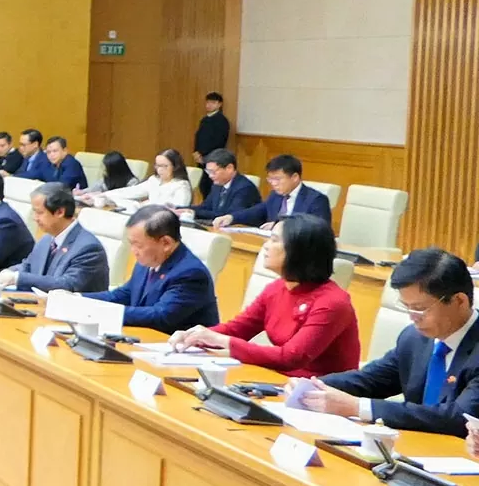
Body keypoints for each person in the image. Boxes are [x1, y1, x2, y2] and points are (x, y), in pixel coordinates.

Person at [284, 248, 478, 434]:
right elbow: (371, 380)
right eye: (406, 307)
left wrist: (356, 407)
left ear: (459, 301)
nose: (412, 317)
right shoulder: (413, 339)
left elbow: (459, 418)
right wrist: (311, 387)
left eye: (419, 308)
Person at [170, 214, 358, 377]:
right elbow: (238, 329)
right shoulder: (277, 288)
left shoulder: (332, 302)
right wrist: (195, 335)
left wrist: (220, 340)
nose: (266, 246)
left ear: (299, 250)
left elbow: (291, 357)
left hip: (321, 393)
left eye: (274, 240)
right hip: (278, 380)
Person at [82, 205, 218, 334]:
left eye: (138, 245)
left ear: (166, 243)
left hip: (178, 349)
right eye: (131, 244)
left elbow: (160, 316)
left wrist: (100, 311)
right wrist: (78, 299)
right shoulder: (148, 261)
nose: (133, 251)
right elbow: (123, 295)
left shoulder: (191, 273)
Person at [0, 184, 109, 293]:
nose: (35, 218)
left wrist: (17, 278)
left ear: (60, 212)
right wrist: (10, 271)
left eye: (39, 212)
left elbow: (66, 285)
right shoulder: (46, 240)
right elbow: (28, 266)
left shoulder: (89, 248)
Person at [214, 154, 330, 229]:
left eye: (277, 179)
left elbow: (317, 230)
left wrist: (278, 226)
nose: (273, 183)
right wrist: (231, 217)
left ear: (294, 177)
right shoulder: (276, 195)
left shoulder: (316, 200)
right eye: (270, 179)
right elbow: (257, 210)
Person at [92, 149, 191, 208]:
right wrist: (104, 195)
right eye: (157, 166)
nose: (159, 170)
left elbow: (178, 209)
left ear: (175, 166)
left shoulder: (181, 186)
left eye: (164, 166)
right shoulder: (154, 180)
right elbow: (131, 191)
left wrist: (145, 204)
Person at [190, 149, 260, 221]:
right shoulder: (217, 184)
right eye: (208, 171)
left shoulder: (244, 188)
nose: (210, 176)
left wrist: (195, 212)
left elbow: (229, 215)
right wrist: (186, 209)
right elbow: (205, 207)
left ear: (229, 168)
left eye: (213, 172)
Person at [193, 92, 231, 197]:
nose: (209, 105)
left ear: (219, 104)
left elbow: (220, 141)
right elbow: (198, 137)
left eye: (213, 103)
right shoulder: (204, 120)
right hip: (201, 157)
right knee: (203, 184)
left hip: (213, 158)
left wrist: (205, 156)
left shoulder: (222, 121)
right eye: (208, 102)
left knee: (211, 185)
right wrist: (196, 152)